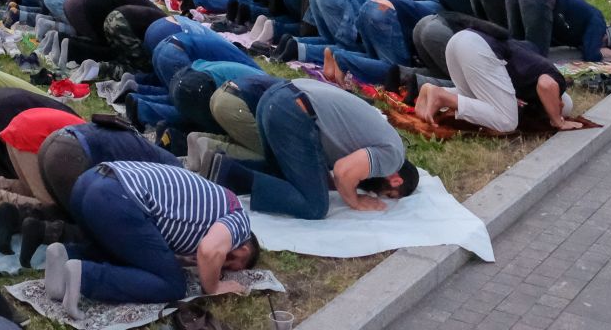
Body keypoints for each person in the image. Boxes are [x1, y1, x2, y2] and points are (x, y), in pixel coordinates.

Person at [43, 162, 259, 313]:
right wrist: (214, 288)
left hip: (89, 182)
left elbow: (157, 231)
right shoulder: (239, 219)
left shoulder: (216, 202)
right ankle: (85, 275)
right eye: (231, 265)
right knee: (173, 285)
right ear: (244, 250)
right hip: (117, 197)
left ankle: (65, 255)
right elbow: (210, 251)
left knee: (126, 257)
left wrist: (178, 258)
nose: (222, 269)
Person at [204, 78, 417, 219]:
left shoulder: (382, 139)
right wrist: (356, 201)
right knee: (315, 206)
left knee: (283, 177)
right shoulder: (393, 157)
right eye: (388, 194)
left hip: (278, 97)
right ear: (396, 180)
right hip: (294, 109)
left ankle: (218, 166)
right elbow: (344, 172)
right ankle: (231, 174)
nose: (378, 195)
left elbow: (331, 171)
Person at [415, 27, 582, 135]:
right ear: (559, 100)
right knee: (507, 121)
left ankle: (431, 90)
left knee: (473, 97)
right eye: (558, 108)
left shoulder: (532, 81)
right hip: (479, 49)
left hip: (460, 40)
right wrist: (558, 121)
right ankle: (441, 97)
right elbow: (548, 85)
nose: (557, 110)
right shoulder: (556, 81)